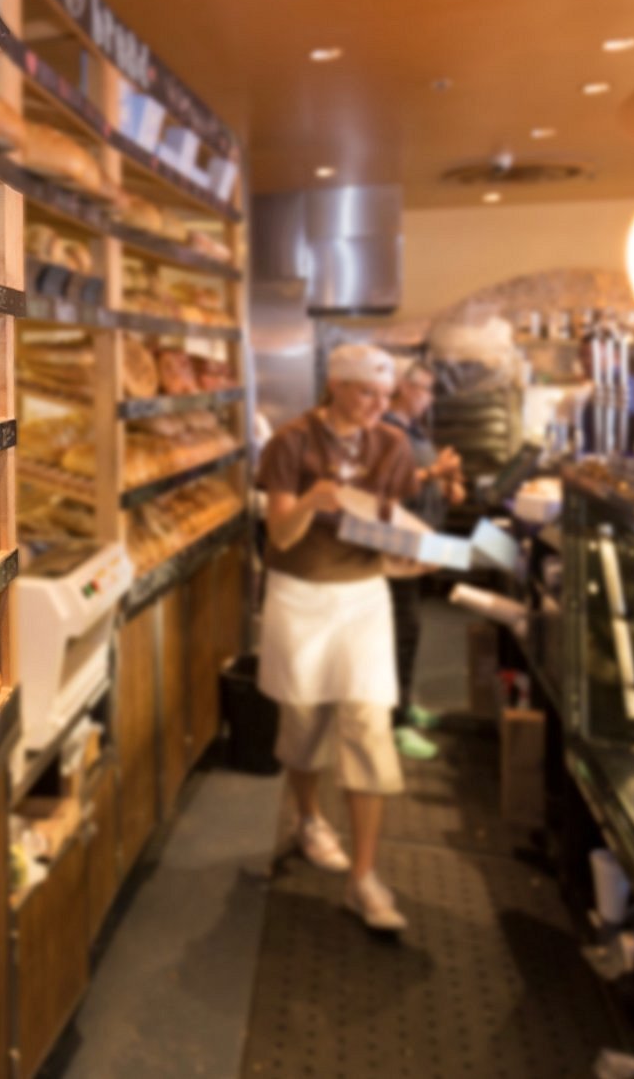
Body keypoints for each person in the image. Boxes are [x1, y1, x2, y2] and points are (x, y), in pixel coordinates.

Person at [256, 343, 419, 933]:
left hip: (363, 600)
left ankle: (364, 879)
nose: (378, 404)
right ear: (337, 386)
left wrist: (417, 556)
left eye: (385, 394)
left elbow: (390, 526)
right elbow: (278, 533)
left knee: (369, 729)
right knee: (304, 725)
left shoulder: (392, 446)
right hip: (300, 597)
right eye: (367, 392)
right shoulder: (292, 443)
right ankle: (308, 818)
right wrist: (309, 501)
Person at [380, 360, 464, 763]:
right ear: (404, 388)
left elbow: (424, 479)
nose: (429, 398)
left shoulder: (415, 431)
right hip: (396, 545)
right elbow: (388, 487)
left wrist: (449, 482)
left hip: (420, 545)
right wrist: (436, 472)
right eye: (426, 390)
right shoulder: (385, 430)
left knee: (411, 630)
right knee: (401, 631)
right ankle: (394, 723)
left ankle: (404, 704)